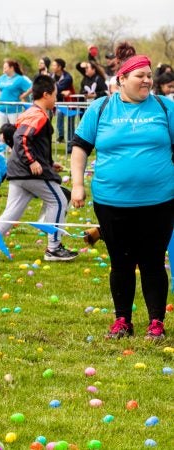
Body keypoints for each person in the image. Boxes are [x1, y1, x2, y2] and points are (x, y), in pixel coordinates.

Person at [70, 42, 174, 340]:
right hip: (111, 202)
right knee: (121, 262)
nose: (146, 81)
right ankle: (122, 321)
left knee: (153, 261)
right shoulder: (101, 108)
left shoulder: (166, 109)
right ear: (121, 80)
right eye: (139, 75)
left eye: (149, 76)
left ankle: (156, 322)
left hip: (159, 202)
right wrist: (77, 185)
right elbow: (79, 149)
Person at [0, 75, 78, 262]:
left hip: (18, 170)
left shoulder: (30, 112)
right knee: (60, 201)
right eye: (55, 95)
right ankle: (54, 249)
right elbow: (21, 139)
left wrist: (47, 162)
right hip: (28, 171)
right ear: (46, 95)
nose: (56, 99)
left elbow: (31, 142)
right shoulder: (37, 115)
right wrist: (32, 161)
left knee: (11, 212)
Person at [0, 58, 32, 127]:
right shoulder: (2, 78)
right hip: (1, 110)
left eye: (5, 68)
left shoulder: (20, 79)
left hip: (14, 111)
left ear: (11, 68)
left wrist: (24, 95)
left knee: (14, 131)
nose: (3, 70)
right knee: (2, 132)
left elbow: (32, 87)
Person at [51, 58, 75, 145]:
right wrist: (60, 93)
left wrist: (56, 91)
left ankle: (68, 143)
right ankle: (59, 136)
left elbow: (56, 89)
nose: (52, 67)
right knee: (54, 117)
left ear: (59, 67)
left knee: (69, 124)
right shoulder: (51, 76)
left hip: (68, 104)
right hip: (54, 103)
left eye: (54, 65)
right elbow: (50, 88)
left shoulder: (67, 78)